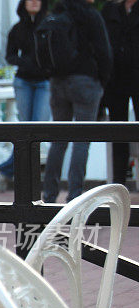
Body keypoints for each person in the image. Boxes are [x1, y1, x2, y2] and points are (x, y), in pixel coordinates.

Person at [42, 0, 112, 203]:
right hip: (86, 82)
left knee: (58, 140)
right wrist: (102, 82)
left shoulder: (57, 14)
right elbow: (104, 52)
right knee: (81, 140)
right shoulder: (91, 15)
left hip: (57, 83)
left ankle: (49, 195)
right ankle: (74, 197)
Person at [0, 0, 51, 192]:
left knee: (38, 129)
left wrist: (46, 66)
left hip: (45, 82)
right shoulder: (17, 29)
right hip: (24, 82)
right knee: (25, 130)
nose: (34, 2)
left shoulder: (50, 25)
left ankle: (6, 169)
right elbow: (9, 55)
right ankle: (27, 179)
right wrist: (25, 62)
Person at [101, 0, 139, 186]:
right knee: (118, 132)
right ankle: (119, 183)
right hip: (116, 80)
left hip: (136, 76)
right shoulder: (110, 10)